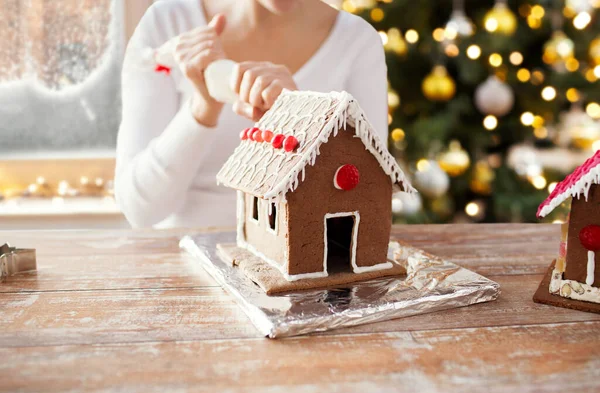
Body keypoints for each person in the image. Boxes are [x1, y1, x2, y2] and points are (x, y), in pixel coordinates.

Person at [115, 0, 388, 228]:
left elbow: (368, 206)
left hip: (300, 270)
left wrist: (300, 123)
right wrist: (202, 110)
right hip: (180, 268)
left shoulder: (357, 41)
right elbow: (140, 210)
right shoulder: (167, 23)